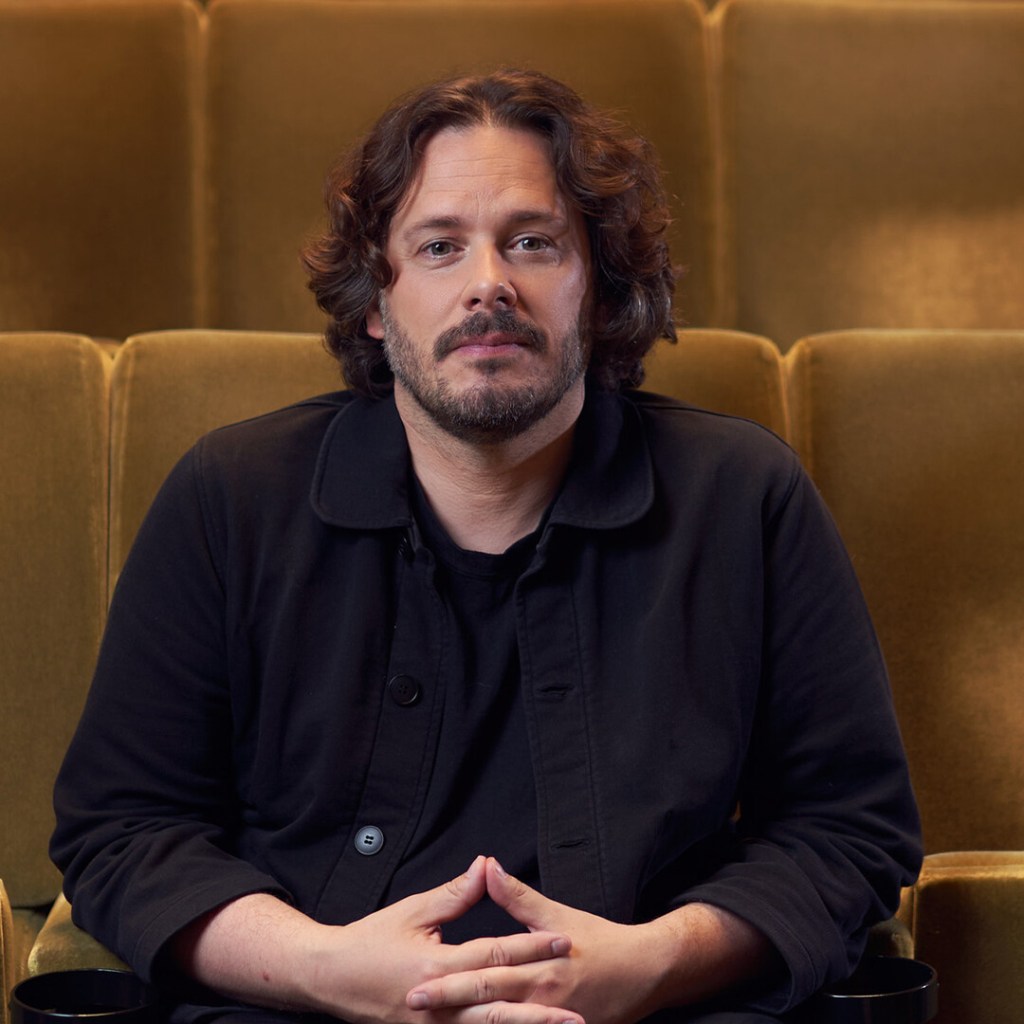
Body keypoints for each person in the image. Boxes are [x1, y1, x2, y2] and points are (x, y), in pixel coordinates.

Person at [51, 70, 921, 1024]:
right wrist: (324, 968)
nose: (488, 284)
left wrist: (650, 963)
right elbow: (123, 831)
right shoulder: (229, 496)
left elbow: (849, 831)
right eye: (438, 246)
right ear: (376, 304)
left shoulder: (744, 495)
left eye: (533, 242)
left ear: (600, 291)